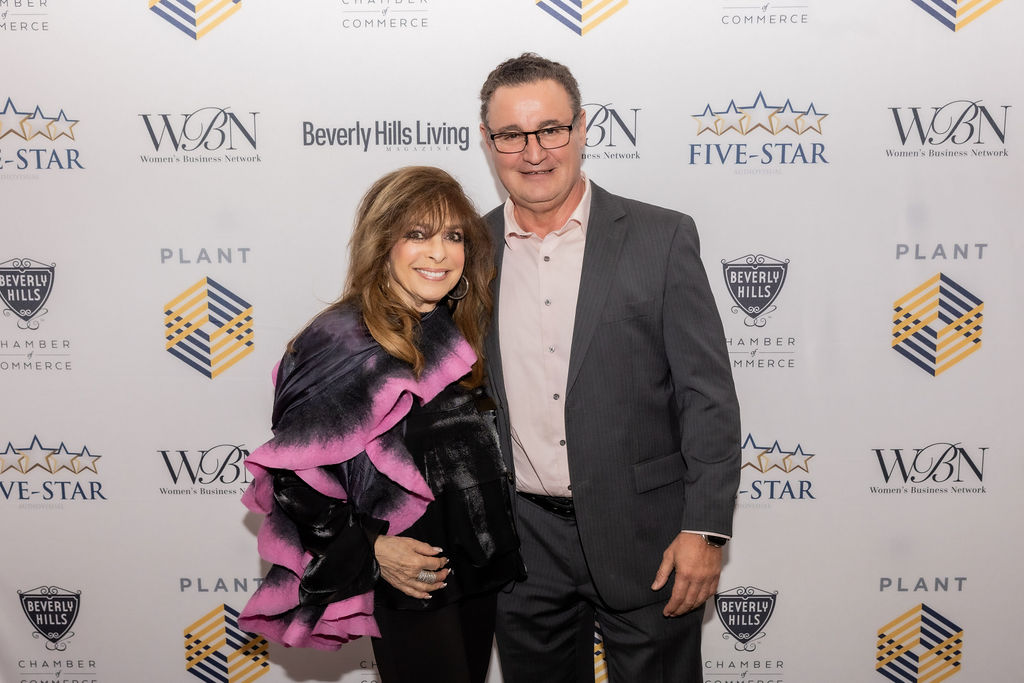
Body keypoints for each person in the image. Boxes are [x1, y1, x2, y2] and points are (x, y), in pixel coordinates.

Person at [477, 54, 742, 682]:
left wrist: (706, 530)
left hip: (648, 538)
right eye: (511, 135)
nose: (533, 152)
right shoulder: (466, 251)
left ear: (582, 128)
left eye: (550, 129)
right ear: (488, 142)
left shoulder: (661, 237)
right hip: (521, 548)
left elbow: (706, 395)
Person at [238, 166, 522, 683]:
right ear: (383, 244)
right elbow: (290, 476)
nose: (439, 253)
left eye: (453, 236)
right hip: (408, 577)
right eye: (418, 234)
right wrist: (372, 547)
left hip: (473, 567)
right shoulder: (339, 339)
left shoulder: (452, 331)